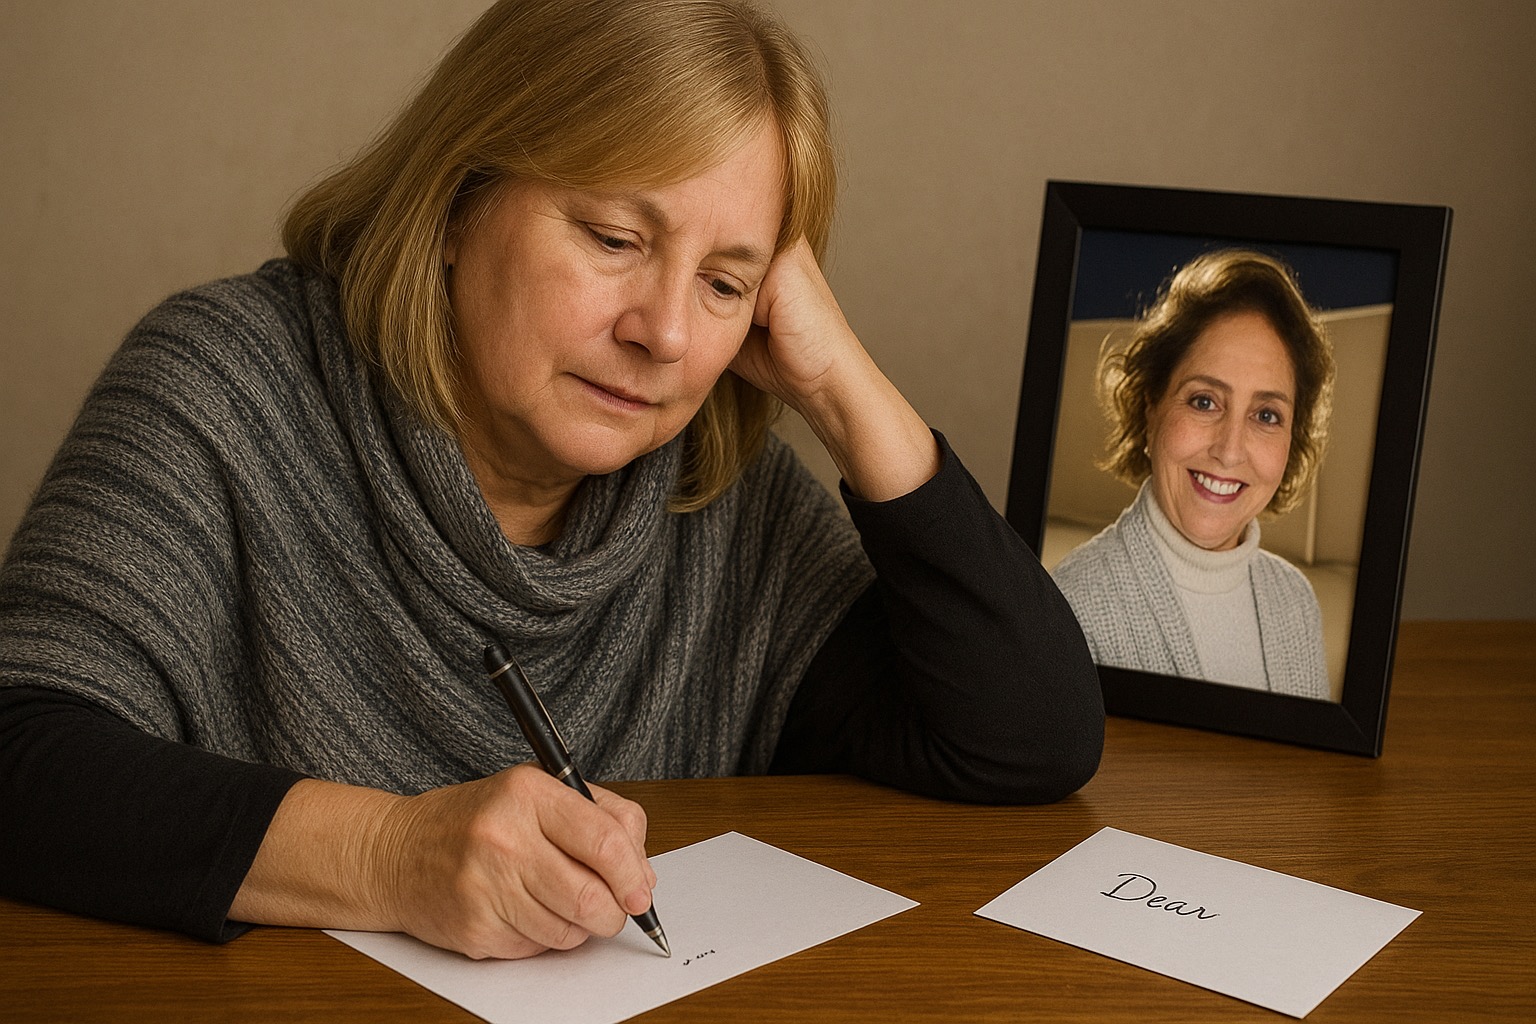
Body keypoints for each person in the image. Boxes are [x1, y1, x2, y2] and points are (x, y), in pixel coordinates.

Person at [0, 0, 1102, 961]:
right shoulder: (224, 383)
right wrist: (389, 854)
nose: (665, 332)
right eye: (616, 236)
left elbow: (1025, 735)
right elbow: (19, 756)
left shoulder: (716, 489)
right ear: (455, 200)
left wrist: (842, 382)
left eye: (726, 283)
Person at [1051, 249, 1334, 699]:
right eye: (1204, 401)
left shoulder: (1295, 603)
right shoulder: (1070, 608)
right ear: (1150, 407)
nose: (1229, 450)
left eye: (1266, 415)